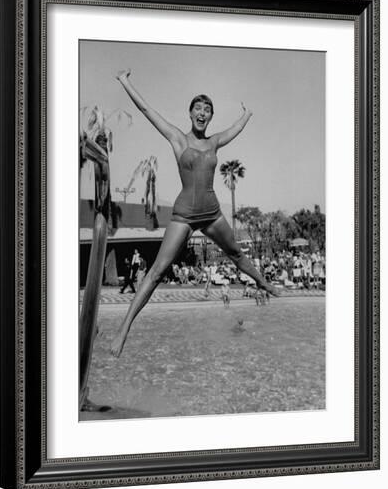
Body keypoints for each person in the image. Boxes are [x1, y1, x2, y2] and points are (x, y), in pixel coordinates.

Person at [111, 69, 279, 357]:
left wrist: (247, 114)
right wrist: (126, 82)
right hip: (185, 215)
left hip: (212, 213)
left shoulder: (214, 142)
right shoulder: (177, 138)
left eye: (208, 109)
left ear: (210, 116)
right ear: (190, 113)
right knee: (156, 272)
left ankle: (263, 281)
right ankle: (124, 328)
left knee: (237, 254)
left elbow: (234, 130)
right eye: (198, 108)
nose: (203, 113)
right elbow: (146, 109)